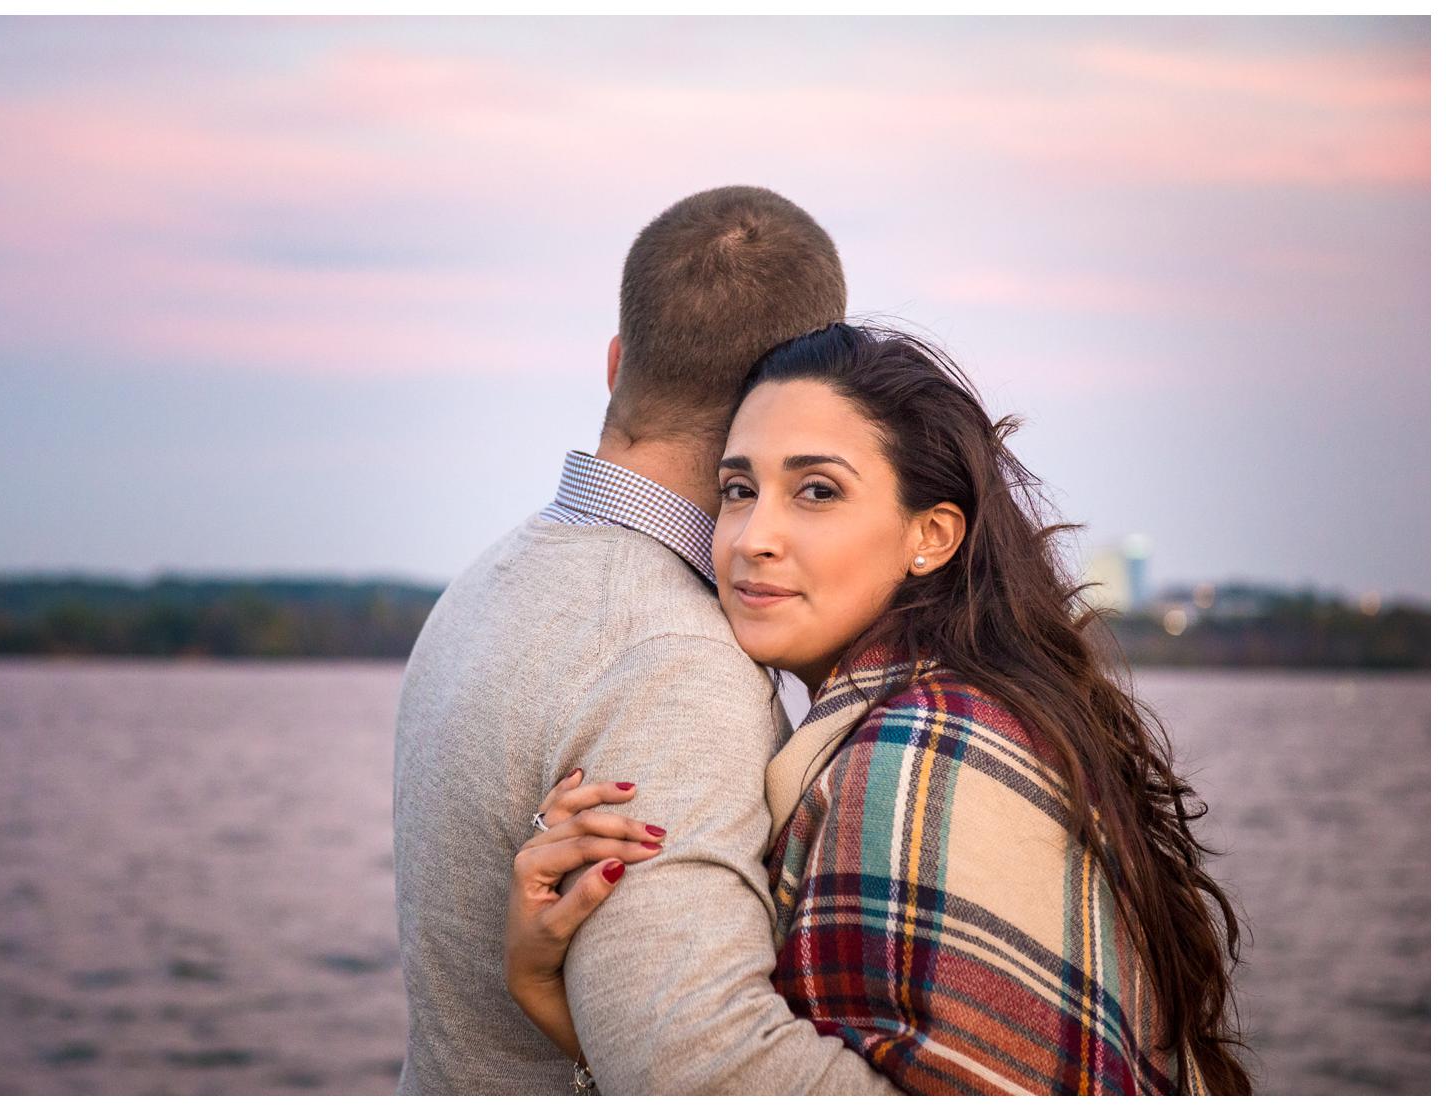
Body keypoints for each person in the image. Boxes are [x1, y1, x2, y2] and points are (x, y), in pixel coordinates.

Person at [502, 324, 1248, 1093]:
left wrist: (547, 993)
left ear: (930, 535)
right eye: (737, 490)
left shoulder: (922, 747)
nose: (754, 537)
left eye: (816, 491)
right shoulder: (954, 707)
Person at [392, 186, 895, 1094]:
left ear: (618, 359)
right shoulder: (673, 658)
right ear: (787, 396)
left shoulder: (490, 578)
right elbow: (700, 1068)